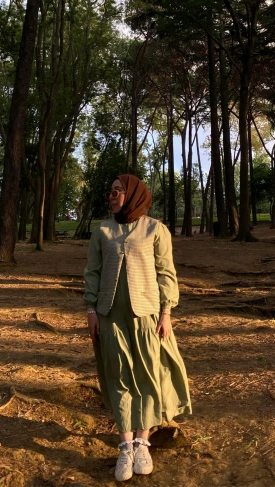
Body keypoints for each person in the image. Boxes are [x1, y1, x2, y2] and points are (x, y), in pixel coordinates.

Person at [84, 174, 192, 482]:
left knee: (146, 377)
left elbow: (166, 273)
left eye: (118, 190)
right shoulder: (102, 231)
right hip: (110, 317)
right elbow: (92, 271)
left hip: (146, 316)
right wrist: (91, 308)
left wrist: (166, 311)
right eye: (110, 191)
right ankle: (124, 446)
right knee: (119, 378)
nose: (113, 195)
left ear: (133, 193)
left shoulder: (155, 230)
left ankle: (142, 443)